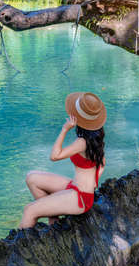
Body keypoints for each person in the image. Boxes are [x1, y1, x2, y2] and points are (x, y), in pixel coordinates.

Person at [19, 92, 106, 229]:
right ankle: (54, 220)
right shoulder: (96, 138)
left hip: (80, 197)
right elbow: (102, 164)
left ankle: (20, 249)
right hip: (77, 188)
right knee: (32, 178)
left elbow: (54, 156)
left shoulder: (82, 142)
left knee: (29, 210)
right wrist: (93, 183)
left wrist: (64, 129)